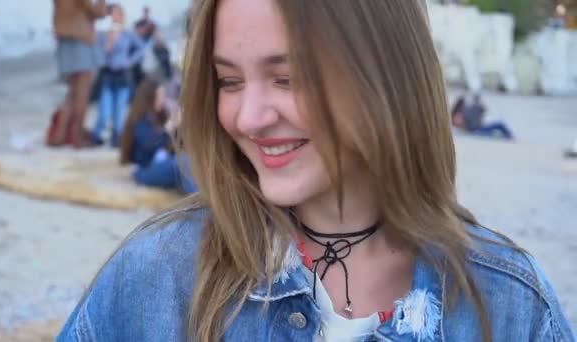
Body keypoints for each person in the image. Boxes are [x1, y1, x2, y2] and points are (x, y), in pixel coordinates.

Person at [57, 1, 574, 341]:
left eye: (288, 77)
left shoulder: (509, 303)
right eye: (228, 81)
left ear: (387, 78)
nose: (248, 117)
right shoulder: (157, 273)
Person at [118, 78, 197, 193]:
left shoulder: (161, 115)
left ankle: (204, 196)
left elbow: (178, 145)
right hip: (145, 170)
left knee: (190, 159)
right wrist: (169, 127)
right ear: (149, 98)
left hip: (162, 164)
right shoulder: (140, 120)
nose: (164, 99)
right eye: (160, 95)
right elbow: (149, 145)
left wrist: (182, 126)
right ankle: (196, 200)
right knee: (183, 161)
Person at [52, 0, 107, 148]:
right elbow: (98, 13)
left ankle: (59, 136)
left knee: (72, 93)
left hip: (65, 39)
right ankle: (78, 139)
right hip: (81, 39)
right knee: (83, 94)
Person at [91, 3, 147, 147]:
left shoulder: (127, 33)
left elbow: (141, 48)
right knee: (104, 111)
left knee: (119, 112)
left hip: (123, 74)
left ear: (122, 16)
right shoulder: (102, 34)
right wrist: (109, 44)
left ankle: (116, 138)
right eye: (112, 14)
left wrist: (130, 61)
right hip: (107, 74)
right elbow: (98, 57)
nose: (114, 17)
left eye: (117, 14)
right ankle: (96, 135)